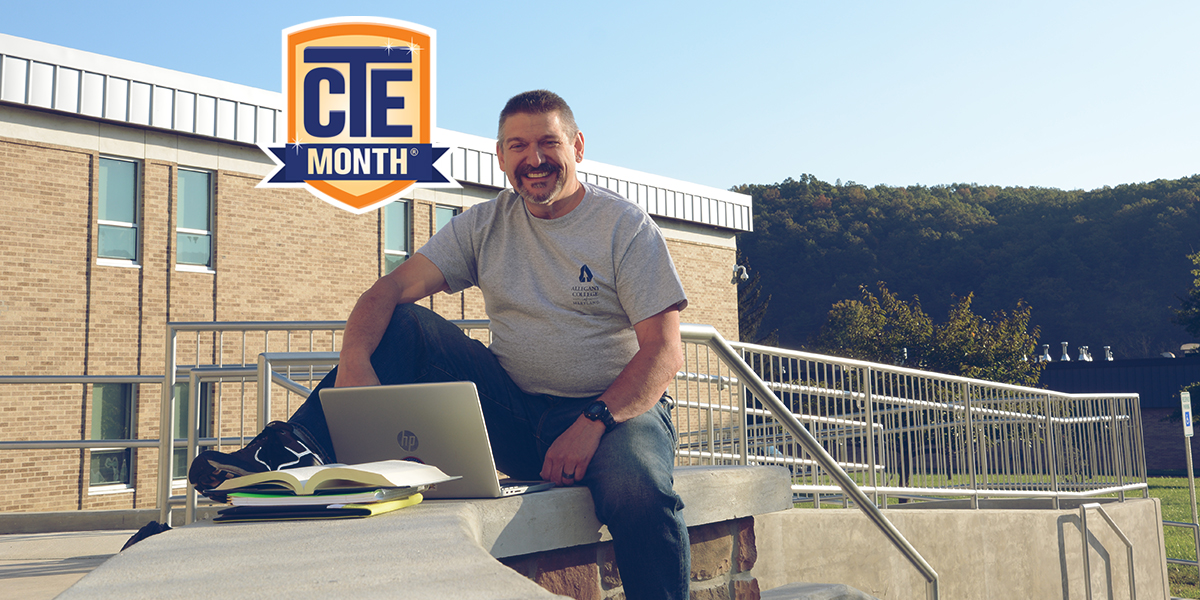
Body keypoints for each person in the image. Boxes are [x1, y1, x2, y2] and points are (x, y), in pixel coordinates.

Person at [190, 90, 691, 599]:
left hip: (613, 416)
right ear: (501, 157)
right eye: (518, 146)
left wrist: (594, 422)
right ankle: (288, 453)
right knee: (404, 323)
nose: (533, 159)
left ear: (578, 146)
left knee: (640, 490)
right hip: (516, 412)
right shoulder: (484, 223)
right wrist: (354, 361)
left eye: (548, 142)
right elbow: (388, 290)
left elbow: (663, 352)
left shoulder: (624, 227)